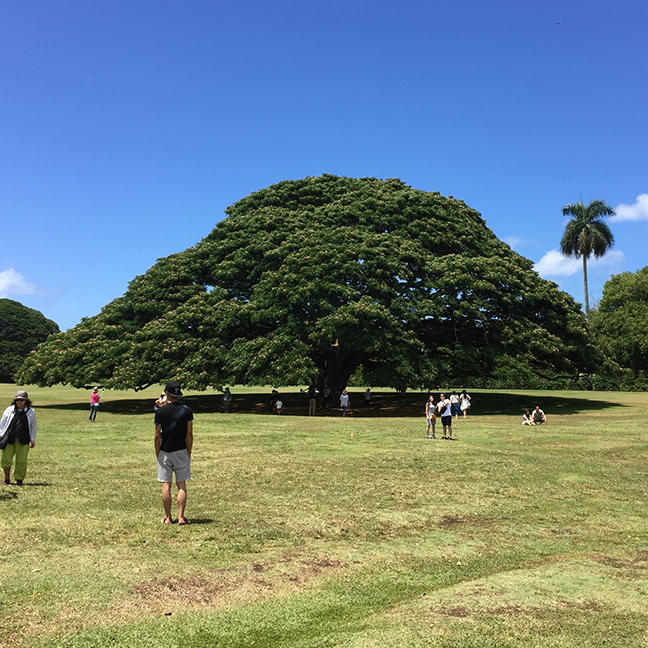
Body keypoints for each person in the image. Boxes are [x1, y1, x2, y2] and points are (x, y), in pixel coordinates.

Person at [154, 381, 193, 525]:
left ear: (167, 394)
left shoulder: (160, 411)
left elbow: (157, 435)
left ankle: (168, 517)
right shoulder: (187, 410)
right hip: (181, 449)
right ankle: (181, 517)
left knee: (166, 484)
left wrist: (157, 451)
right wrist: (189, 449)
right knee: (181, 484)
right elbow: (189, 434)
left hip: (165, 450)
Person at [1, 390, 37, 486]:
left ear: (26, 401)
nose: (19, 402)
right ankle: (7, 479)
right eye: (17, 400)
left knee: (21, 460)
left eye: (21, 400)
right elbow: (2, 424)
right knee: (6, 459)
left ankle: (19, 479)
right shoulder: (9, 410)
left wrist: (32, 439)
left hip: (24, 439)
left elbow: (33, 426)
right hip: (9, 438)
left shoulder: (31, 411)